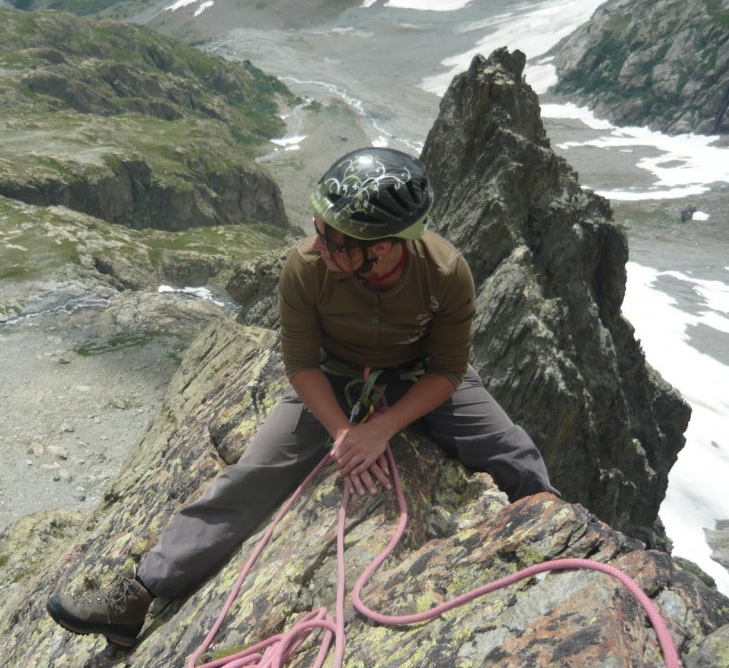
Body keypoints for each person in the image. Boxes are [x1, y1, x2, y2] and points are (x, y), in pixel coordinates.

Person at [46, 147, 556, 647]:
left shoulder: (445, 273)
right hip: (333, 377)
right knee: (256, 472)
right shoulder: (306, 268)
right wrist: (342, 430)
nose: (318, 246)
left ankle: (551, 536)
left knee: (509, 449)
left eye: (333, 240)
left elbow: (447, 370)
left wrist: (382, 428)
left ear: (379, 246)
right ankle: (140, 594)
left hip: (420, 375)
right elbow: (301, 365)